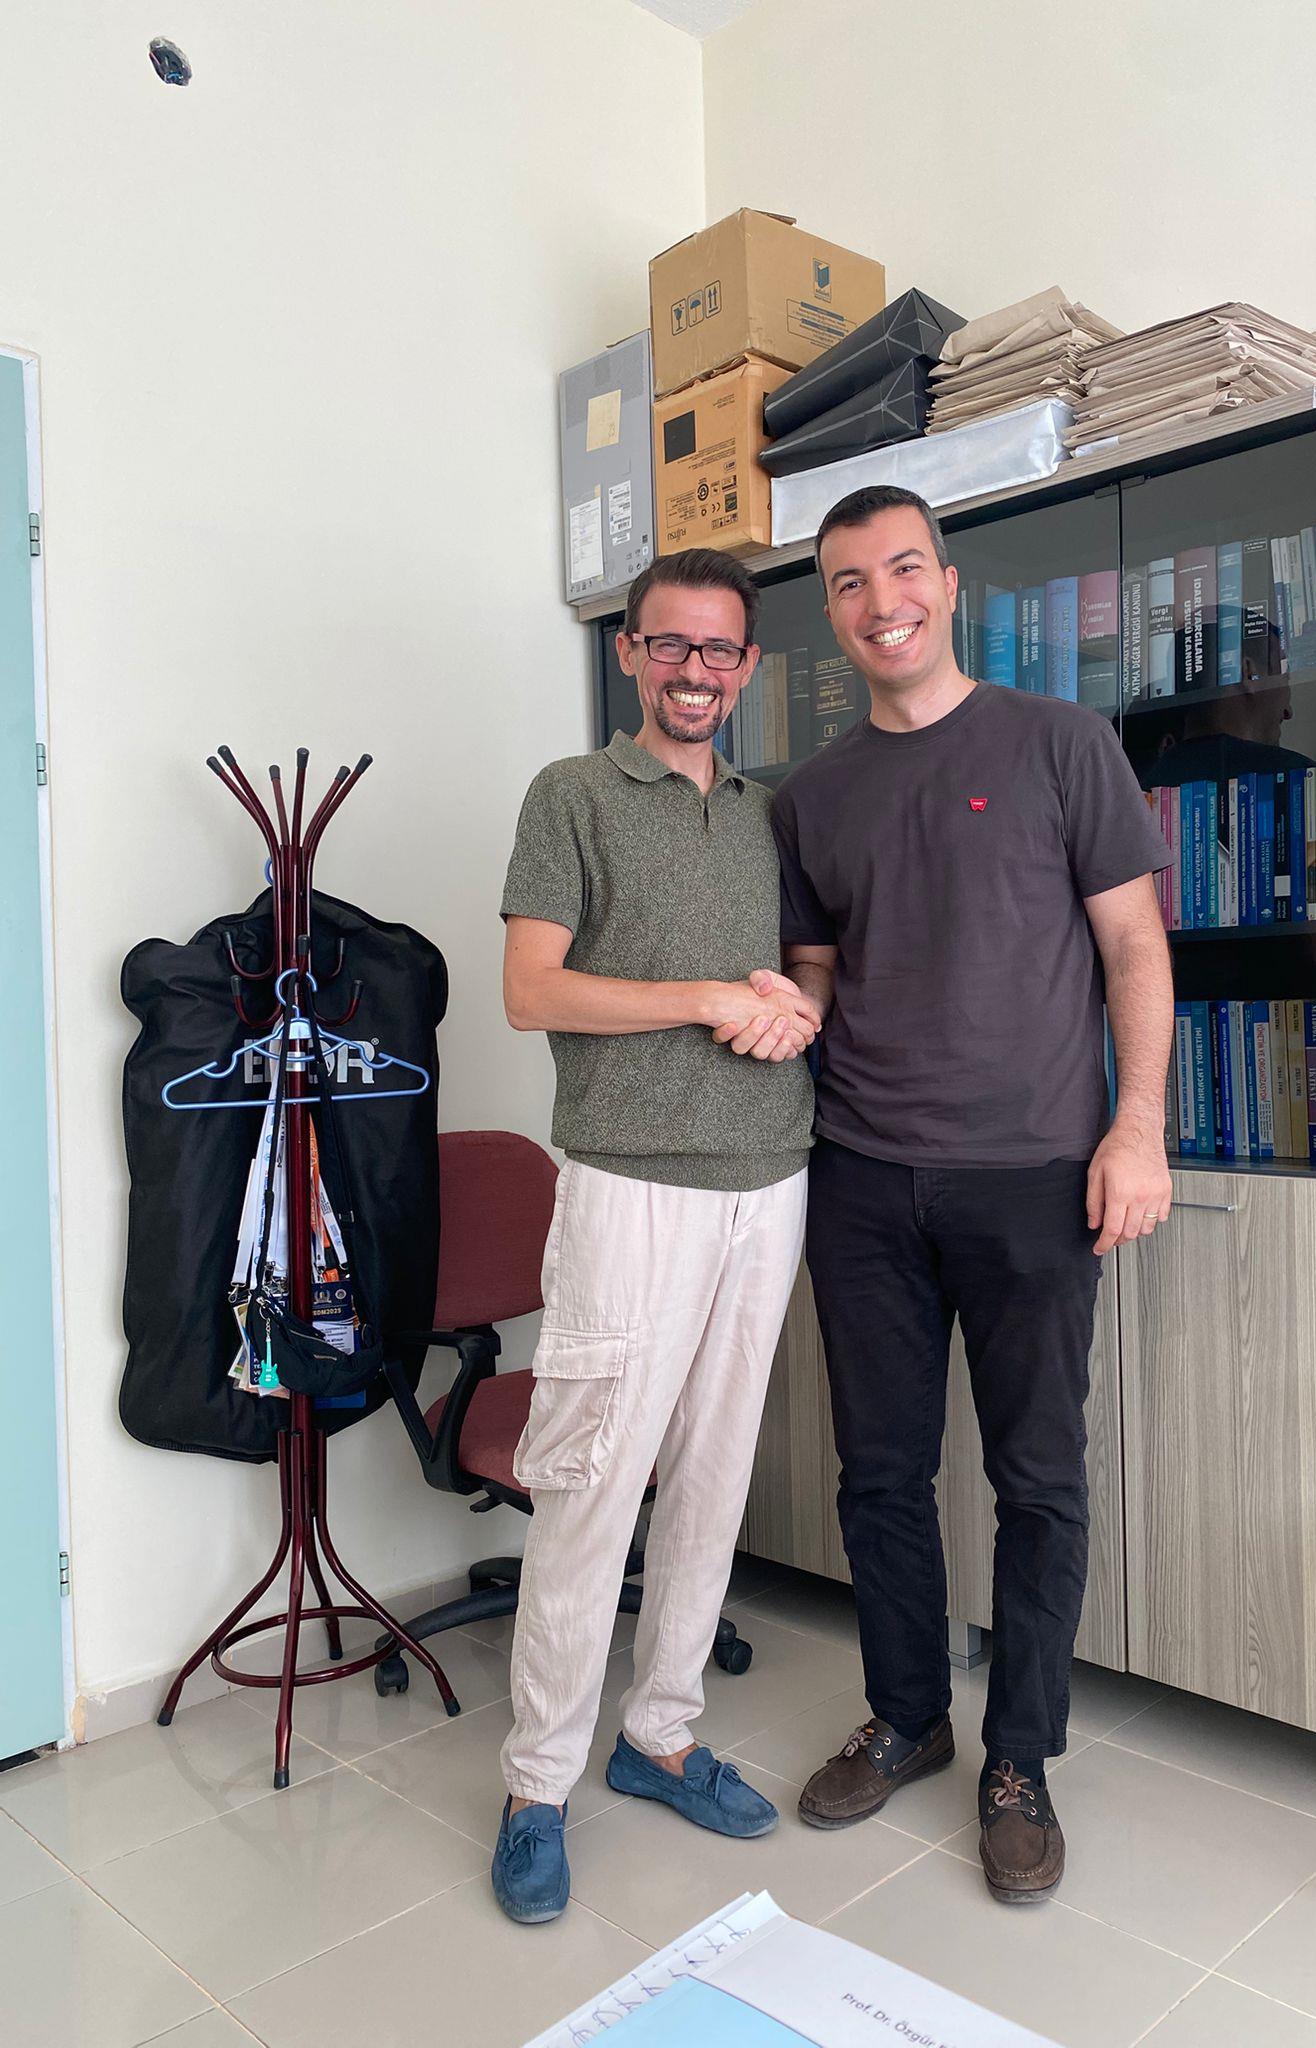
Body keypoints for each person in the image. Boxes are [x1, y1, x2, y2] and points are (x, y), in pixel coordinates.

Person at [764, 485, 1174, 1906]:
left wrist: (1137, 1127)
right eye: (848, 581)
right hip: (863, 1178)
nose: (881, 601)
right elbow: (820, 974)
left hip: (1036, 1177)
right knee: (879, 1472)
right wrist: (768, 1011)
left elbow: (1135, 949)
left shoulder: (1061, 743)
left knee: (1035, 1479)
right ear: (830, 611)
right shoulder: (812, 795)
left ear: (948, 583)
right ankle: (908, 1717)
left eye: (902, 570)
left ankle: (1020, 1760)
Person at [491, 547, 820, 1925]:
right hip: (630, 1184)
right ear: (631, 652)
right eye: (671, 644)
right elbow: (531, 991)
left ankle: (661, 1735)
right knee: (590, 1485)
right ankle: (537, 1785)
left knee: (713, 1476)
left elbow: (801, 966)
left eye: (719, 649)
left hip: (771, 1178)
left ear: (747, 666)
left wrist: (796, 1008)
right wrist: (700, 996)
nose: (696, 671)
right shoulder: (571, 794)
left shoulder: (769, 812)